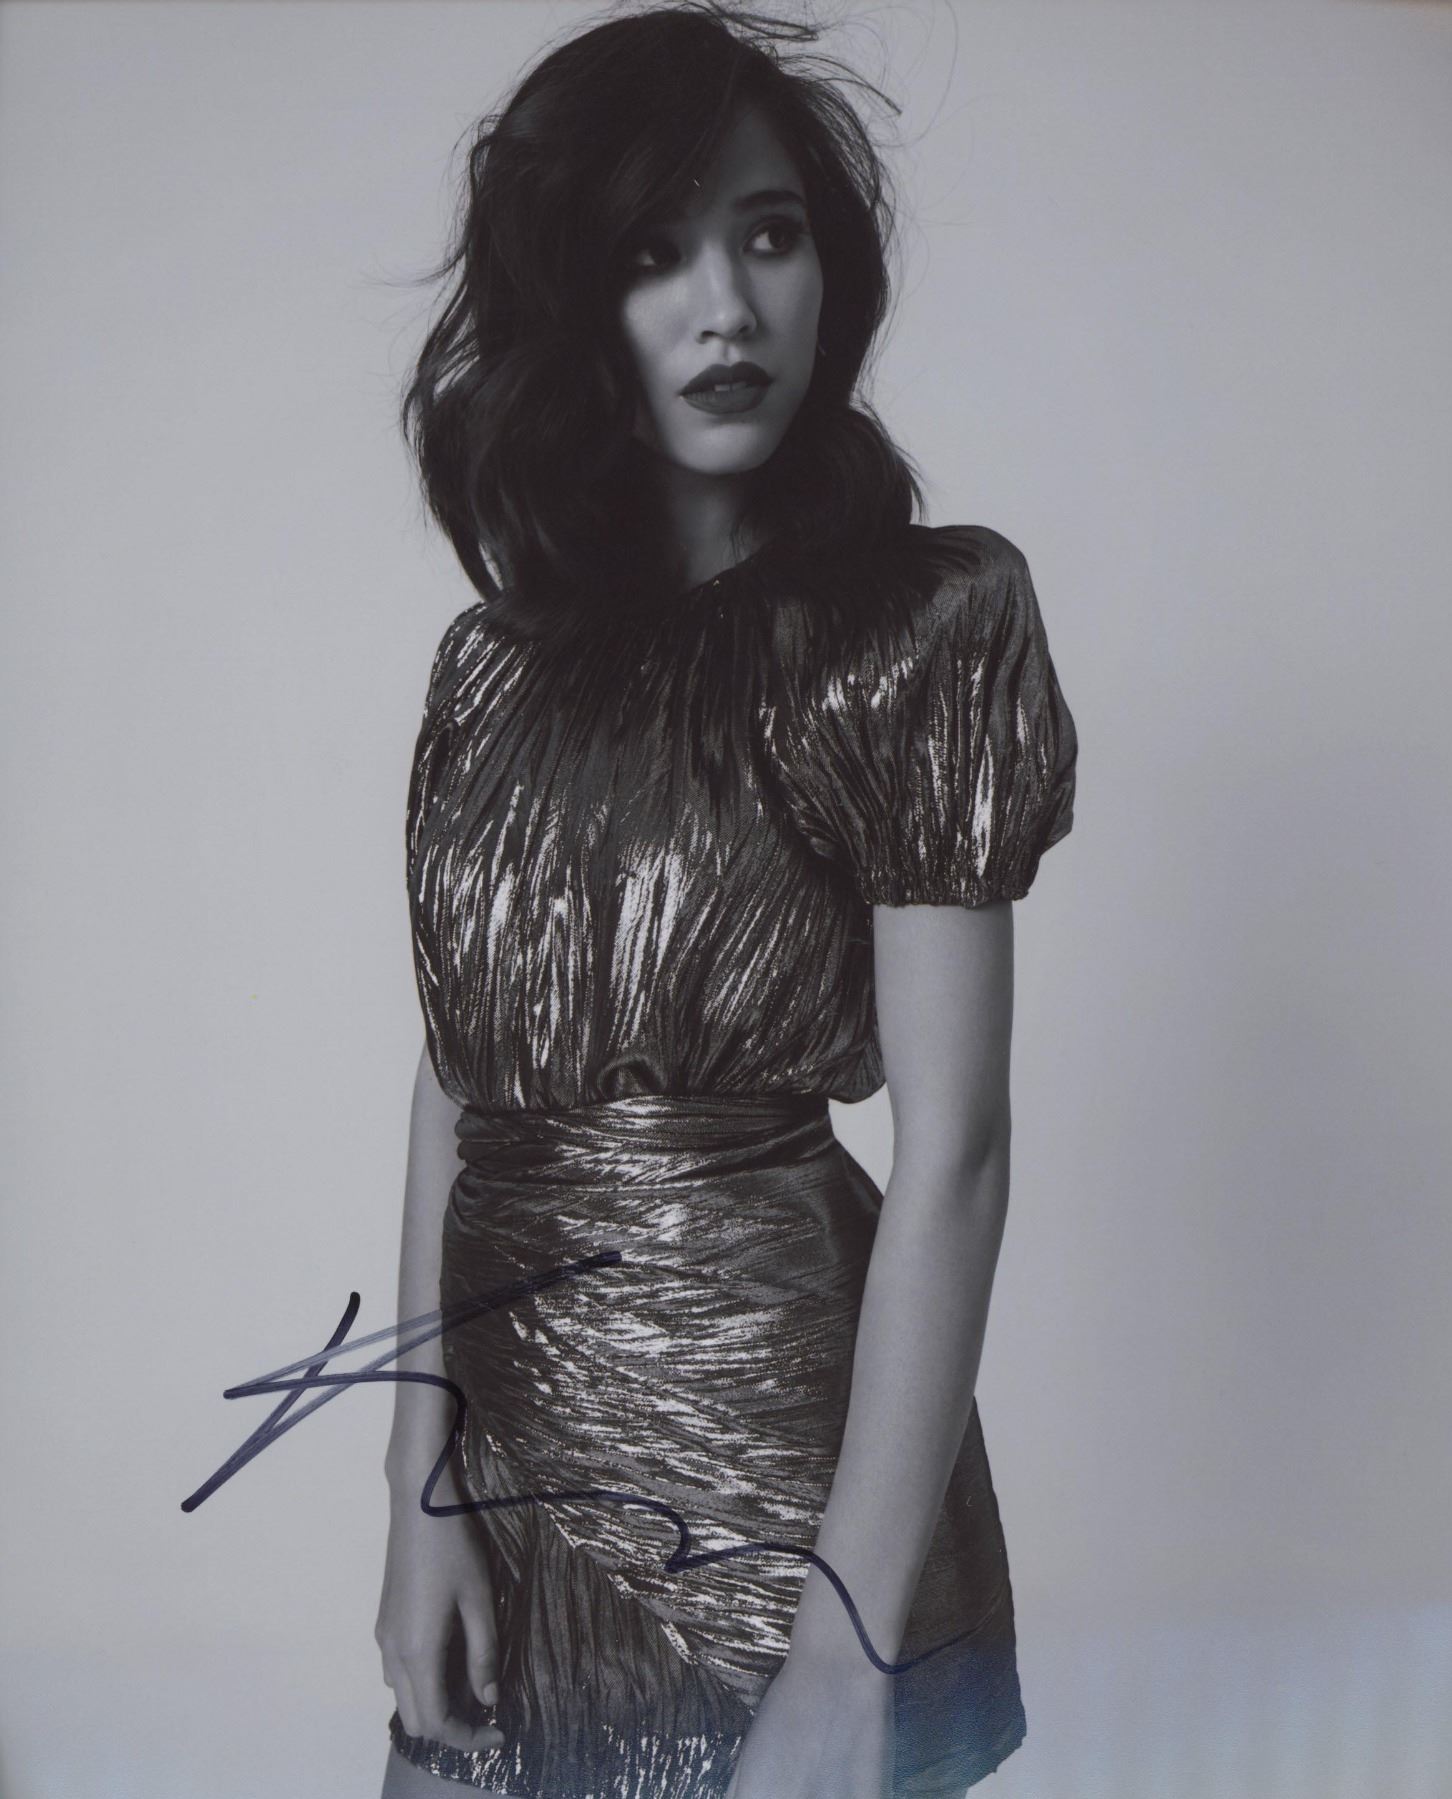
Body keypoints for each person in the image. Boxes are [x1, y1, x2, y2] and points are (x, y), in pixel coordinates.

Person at [376, 5, 1078, 1796]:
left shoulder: (920, 628)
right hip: (511, 1488)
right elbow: (461, 1085)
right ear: (571, 301)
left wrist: (848, 1649)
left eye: (770, 236)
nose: (728, 308)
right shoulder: (488, 675)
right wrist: (415, 1489)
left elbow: (959, 1151)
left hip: (786, 1508)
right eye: (652, 253)